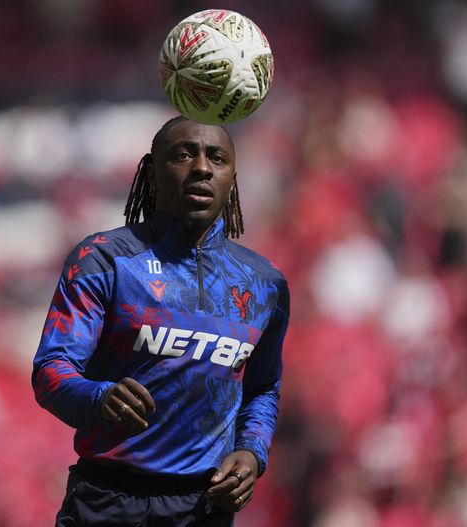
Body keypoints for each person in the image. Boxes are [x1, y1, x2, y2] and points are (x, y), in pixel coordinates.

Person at [32, 116, 290, 526]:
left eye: (217, 158)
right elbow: (51, 371)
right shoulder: (104, 260)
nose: (202, 167)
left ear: (232, 178)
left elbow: (262, 388)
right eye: (184, 155)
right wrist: (99, 397)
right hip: (107, 502)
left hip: (203, 508)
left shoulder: (265, 284)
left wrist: (252, 451)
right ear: (151, 174)